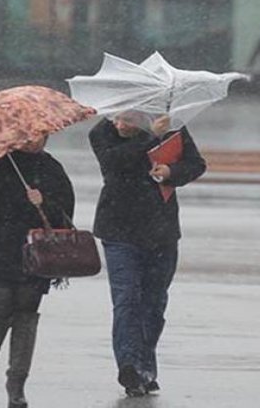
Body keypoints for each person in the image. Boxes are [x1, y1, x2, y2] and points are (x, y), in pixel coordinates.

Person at [88, 114, 206, 397]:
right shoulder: (101, 132)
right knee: (126, 298)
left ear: (142, 113)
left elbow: (196, 164)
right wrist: (150, 137)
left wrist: (171, 173)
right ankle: (129, 367)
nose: (119, 122)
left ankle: (145, 367)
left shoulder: (172, 127)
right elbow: (115, 163)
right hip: (119, 230)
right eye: (117, 116)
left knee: (153, 304)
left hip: (161, 230)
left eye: (127, 118)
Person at [0, 137, 75, 408]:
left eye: (42, 135)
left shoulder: (51, 168)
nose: (36, 140)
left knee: (26, 314)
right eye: (30, 135)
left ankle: (17, 384)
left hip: (36, 252)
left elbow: (65, 214)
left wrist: (43, 201)